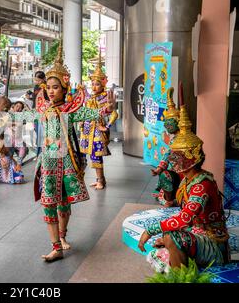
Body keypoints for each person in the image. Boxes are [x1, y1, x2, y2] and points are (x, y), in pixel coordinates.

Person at [10, 42, 115, 262]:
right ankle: (56, 246)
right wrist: (7, 115)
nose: (50, 90)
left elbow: (93, 113)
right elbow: (25, 117)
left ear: (65, 89)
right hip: (47, 164)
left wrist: (108, 109)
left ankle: (63, 236)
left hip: (65, 163)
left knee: (64, 202)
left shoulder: (70, 110)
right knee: (48, 203)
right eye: (48, 87)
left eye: (55, 87)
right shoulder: (43, 110)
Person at [139, 104, 230, 271]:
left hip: (213, 243)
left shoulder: (202, 185)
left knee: (172, 238)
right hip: (197, 232)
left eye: (176, 155)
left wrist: (151, 230)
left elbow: (186, 218)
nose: (172, 158)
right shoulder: (188, 180)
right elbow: (188, 219)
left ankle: (179, 278)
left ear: (190, 157)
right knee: (168, 236)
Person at [79, 59, 118, 190]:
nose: (94, 87)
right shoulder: (90, 97)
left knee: (96, 157)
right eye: (92, 84)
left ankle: (101, 180)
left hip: (97, 130)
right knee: (90, 156)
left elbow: (114, 114)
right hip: (87, 130)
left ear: (102, 85)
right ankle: (99, 180)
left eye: (97, 84)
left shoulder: (106, 97)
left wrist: (106, 127)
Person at [150, 86, 181, 207]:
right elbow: (167, 156)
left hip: (186, 173)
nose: (167, 127)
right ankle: (169, 200)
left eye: (169, 123)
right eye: (166, 123)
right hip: (173, 173)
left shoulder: (186, 138)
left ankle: (174, 199)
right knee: (165, 176)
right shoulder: (173, 141)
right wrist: (159, 169)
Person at [32, 71, 46, 156]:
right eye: (36, 80)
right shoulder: (36, 87)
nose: (37, 82)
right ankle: (38, 153)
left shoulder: (47, 87)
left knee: (43, 133)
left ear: (43, 79)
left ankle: (42, 152)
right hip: (36, 112)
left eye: (38, 80)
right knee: (37, 133)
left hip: (44, 113)